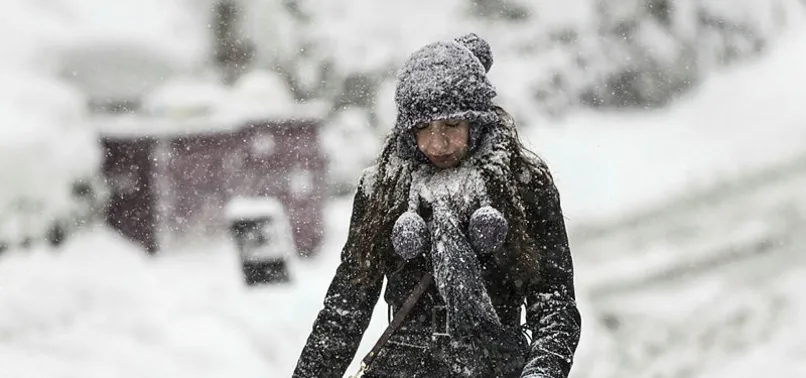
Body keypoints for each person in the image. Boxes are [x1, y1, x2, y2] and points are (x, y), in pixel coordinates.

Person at [292, 33, 581, 378]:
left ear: (477, 120)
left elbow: (554, 303)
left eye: (452, 124)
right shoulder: (382, 189)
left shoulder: (523, 182)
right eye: (422, 128)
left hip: (496, 367)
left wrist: (542, 373)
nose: (437, 143)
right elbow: (345, 310)